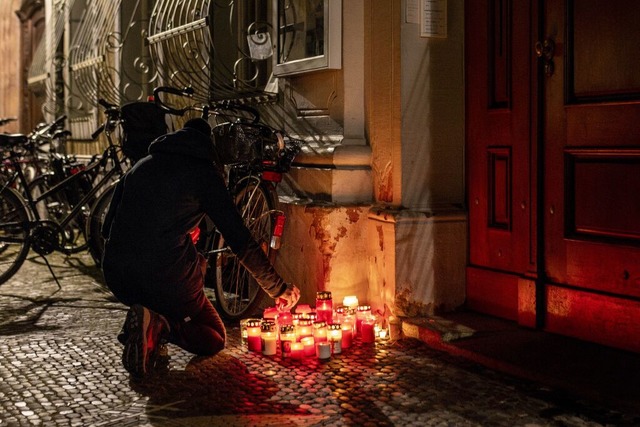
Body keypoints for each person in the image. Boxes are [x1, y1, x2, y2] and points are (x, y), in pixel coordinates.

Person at [101, 118, 300, 377]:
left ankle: (148, 320)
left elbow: (107, 227)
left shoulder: (140, 166)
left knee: (185, 257)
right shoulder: (203, 173)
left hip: (118, 276)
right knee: (214, 336)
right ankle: (161, 326)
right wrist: (277, 288)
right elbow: (238, 238)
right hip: (163, 277)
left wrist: (177, 232)